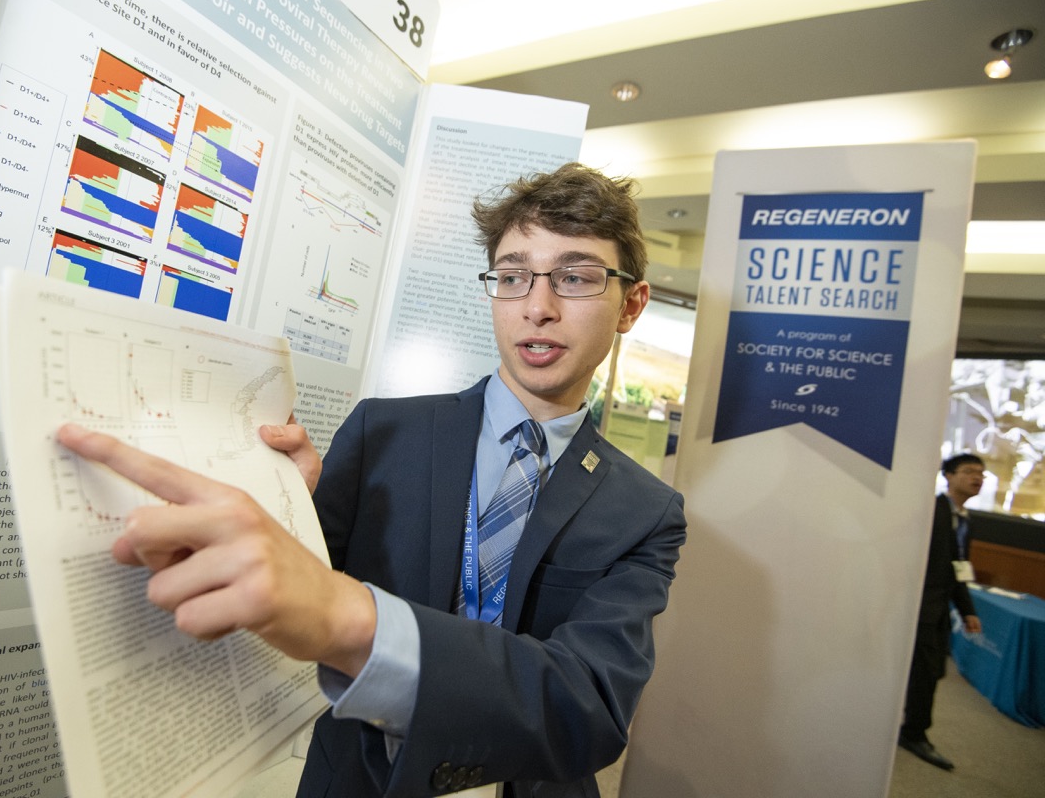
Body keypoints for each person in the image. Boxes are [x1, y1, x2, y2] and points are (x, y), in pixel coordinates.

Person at [58, 163, 687, 797]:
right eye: (514, 276)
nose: (538, 307)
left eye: (576, 278)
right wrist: (287, 509)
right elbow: (300, 594)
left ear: (631, 304)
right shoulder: (381, 433)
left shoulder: (646, 510)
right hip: (361, 775)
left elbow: (593, 707)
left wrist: (354, 618)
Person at [898, 453, 984, 771]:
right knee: (922, 671)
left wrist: (968, 610)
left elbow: (958, 568)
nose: (977, 478)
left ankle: (913, 730)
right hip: (916, 607)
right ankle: (914, 732)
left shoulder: (964, 519)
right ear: (948, 476)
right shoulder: (932, 511)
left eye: (981, 474)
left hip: (937, 610)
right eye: (969, 471)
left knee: (929, 672)